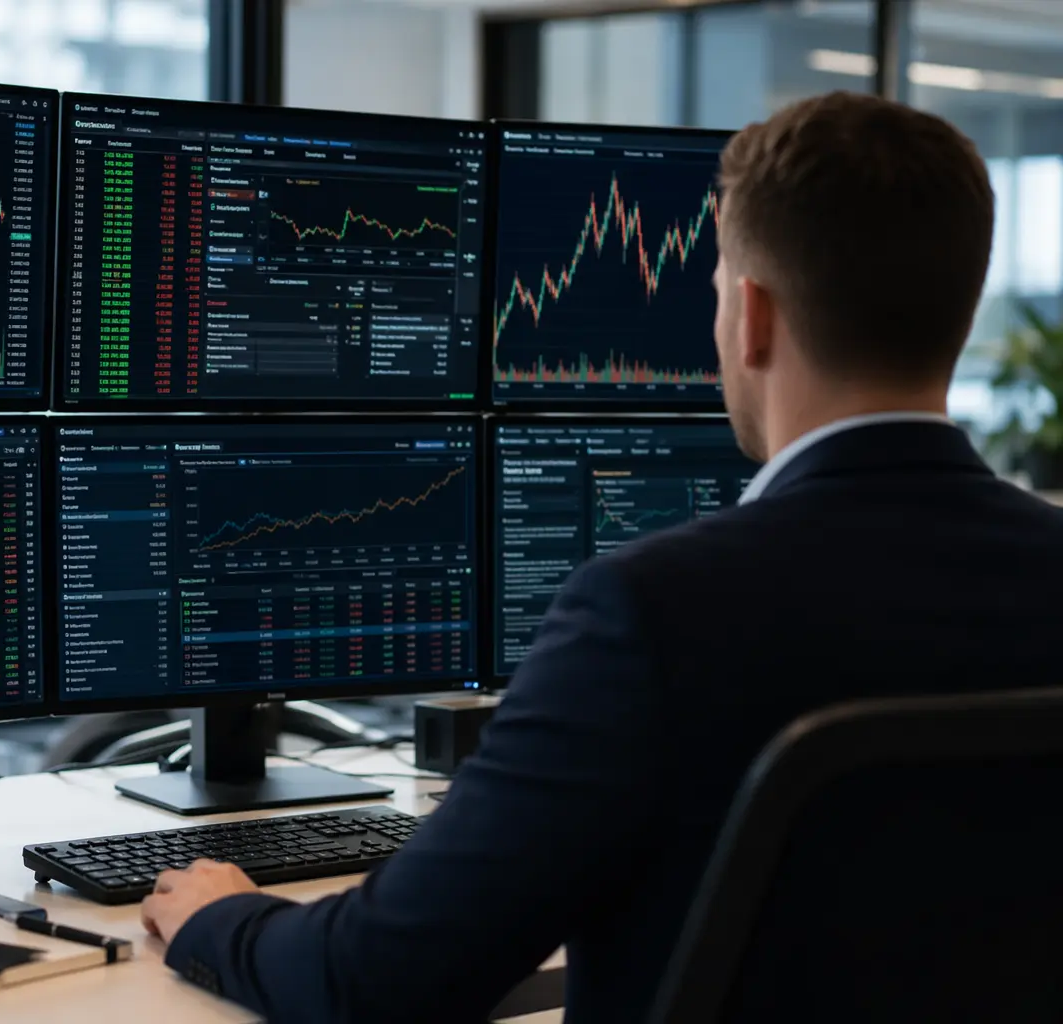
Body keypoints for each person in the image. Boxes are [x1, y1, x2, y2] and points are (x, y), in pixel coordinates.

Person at [142, 91, 1062, 1023]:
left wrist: (223, 921)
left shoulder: (652, 611)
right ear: (959, 309)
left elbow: (378, 977)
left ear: (750, 317)